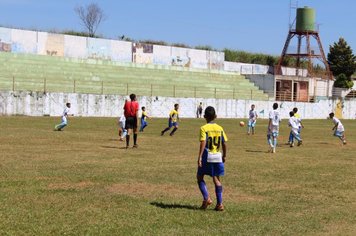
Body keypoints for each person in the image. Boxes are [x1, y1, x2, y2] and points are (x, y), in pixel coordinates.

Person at [197, 106, 227, 211]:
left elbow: (203, 142)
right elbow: (224, 143)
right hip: (217, 156)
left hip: (207, 156)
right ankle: (220, 204)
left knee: (200, 176)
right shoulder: (220, 128)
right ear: (215, 116)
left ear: (204, 116)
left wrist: (200, 157)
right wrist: (224, 155)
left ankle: (207, 198)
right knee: (217, 179)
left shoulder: (204, 128)